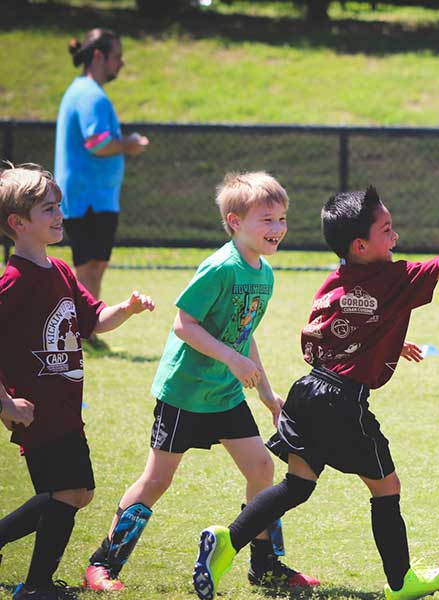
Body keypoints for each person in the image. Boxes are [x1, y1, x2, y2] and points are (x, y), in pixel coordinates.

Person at [191, 185, 439, 600]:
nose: (395, 237)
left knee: (297, 485)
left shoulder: (337, 278)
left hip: (309, 391)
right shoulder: (395, 278)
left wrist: (388, 343)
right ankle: (400, 582)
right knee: (386, 487)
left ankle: (227, 540)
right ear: (361, 245)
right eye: (387, 229)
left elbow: (336, 330)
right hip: (343, 401)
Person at [82, 172, 318, 593]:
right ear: (234, 221)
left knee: (263, 468)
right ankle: (103, 563)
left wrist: (266, 392)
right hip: (185, 393)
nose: (277, 228)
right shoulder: (220, 267)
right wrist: (229, 358)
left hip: (225, 394)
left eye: (281, 218)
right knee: (157, 480)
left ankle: (265, 566)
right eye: (267, 220)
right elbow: (183, 325)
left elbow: (243, 333)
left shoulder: (263, 274)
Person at [0, 162, 154, 600]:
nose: (59, 215)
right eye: (48, 209)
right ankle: (35, 587)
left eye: (58, 207)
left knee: (79, 493)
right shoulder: (14, 281)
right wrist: (7, 404)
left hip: (66, 407)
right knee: (66, 493)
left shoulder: (62, 271)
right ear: (18, 223)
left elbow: (92, 320)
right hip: (37, 413)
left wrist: (125, 309)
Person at [54, 28, 149, 348]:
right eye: (117, 57)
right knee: (87, 266)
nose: (121, 63)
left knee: (95, 264)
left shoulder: (86, 91)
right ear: (99, 56)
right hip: (86, 198)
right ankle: (81, 330)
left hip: (96, 198)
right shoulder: (90, 94)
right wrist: (130, 144)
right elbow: (98, 143)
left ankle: (87, 327)